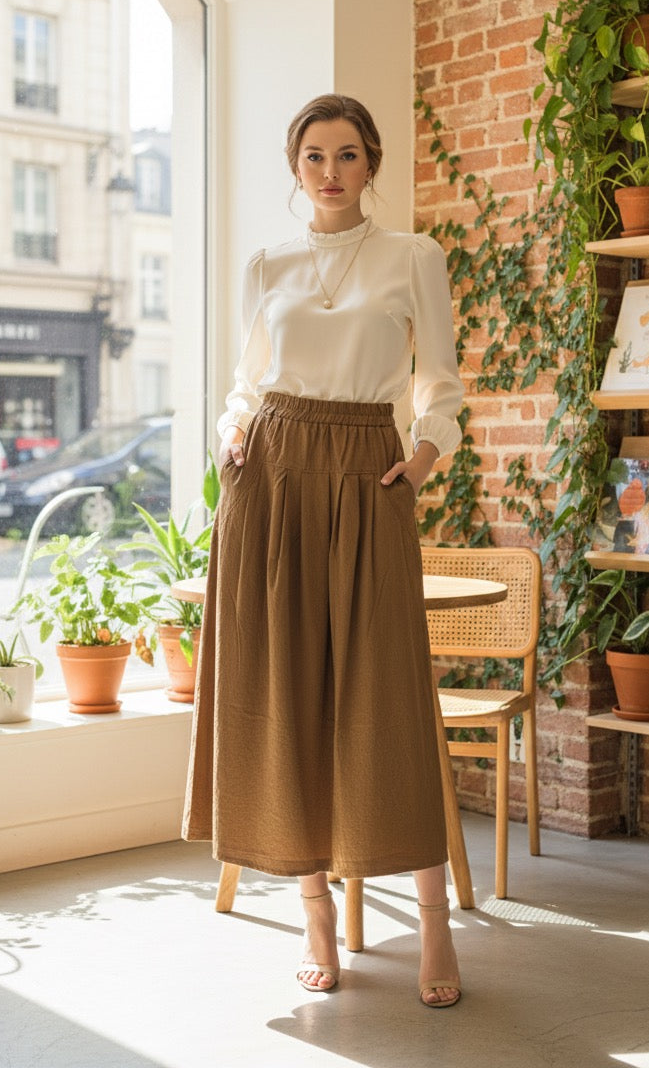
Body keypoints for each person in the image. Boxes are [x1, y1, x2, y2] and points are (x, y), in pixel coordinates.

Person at [183, 94, 465, 1008]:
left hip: (366, 469)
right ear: (295, 166)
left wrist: (422, 460)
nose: (331, 170)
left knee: (385, 697)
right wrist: (230, 437)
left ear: (371, 162)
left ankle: (431, 925)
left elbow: (442, 383)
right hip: (267, 474)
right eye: (314, 155)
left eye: (347, 154)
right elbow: (246, 381)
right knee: (283, 690)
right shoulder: (267, 263)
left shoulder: (413, 256)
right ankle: (314, 920)